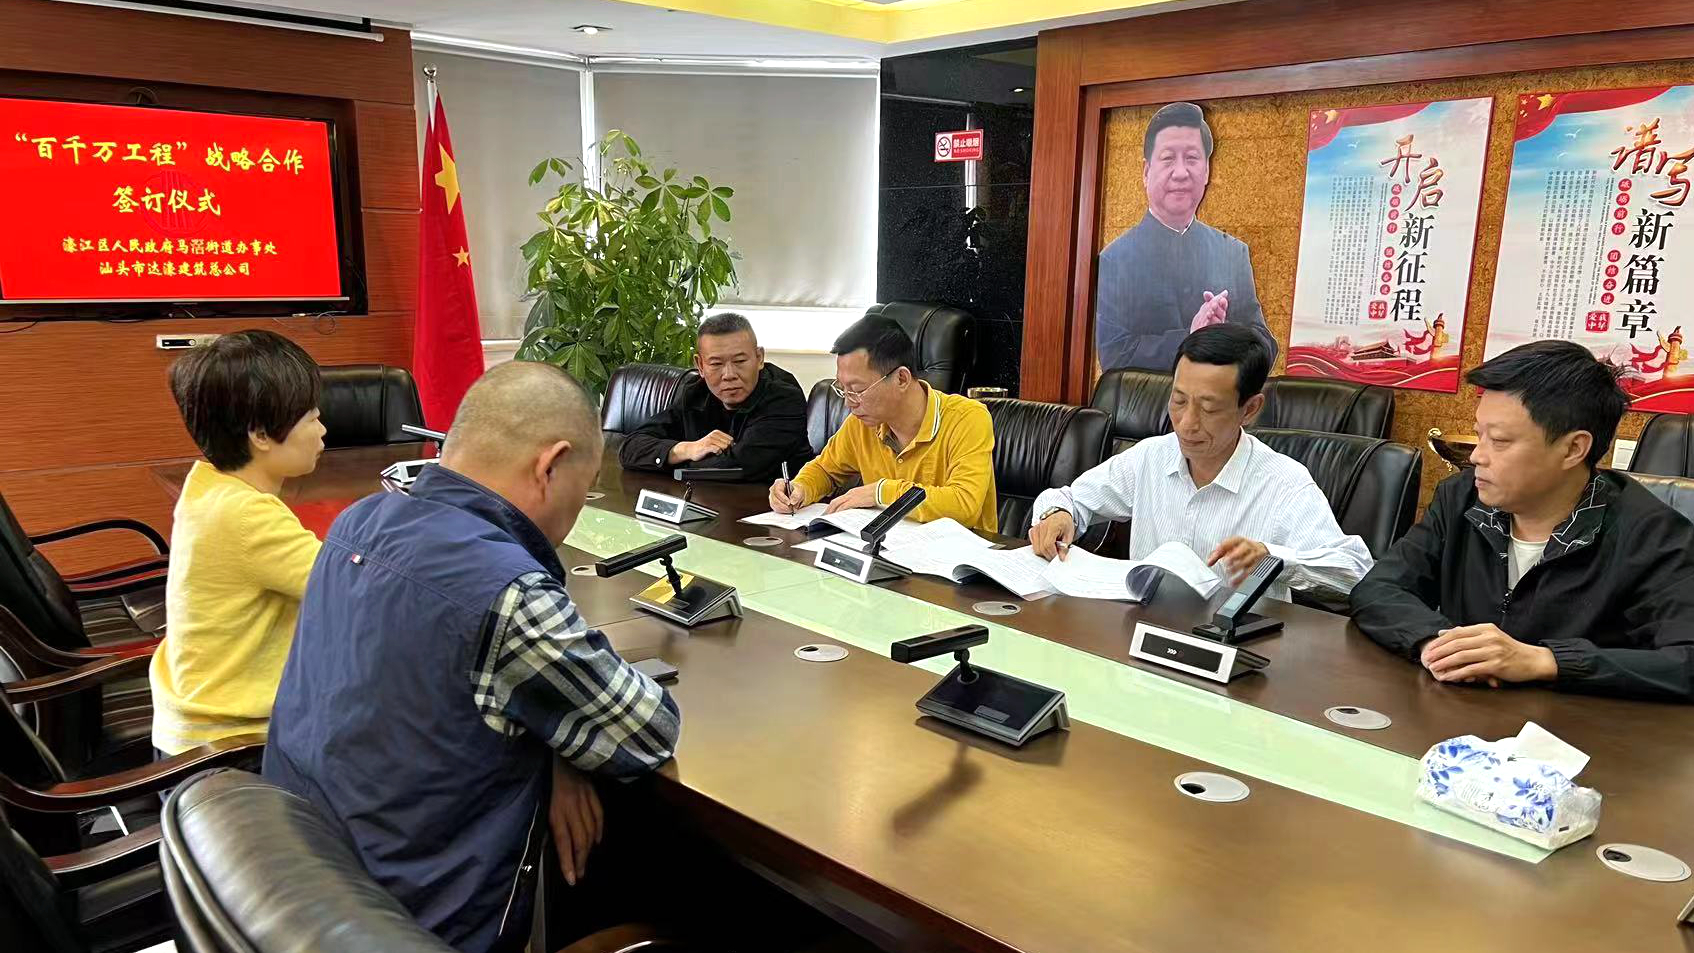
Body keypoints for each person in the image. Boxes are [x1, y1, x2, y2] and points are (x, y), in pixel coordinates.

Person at [263, 362, 681, 953]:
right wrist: (558, 731)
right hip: (420, 925)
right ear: (550, 466)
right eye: (584, 488)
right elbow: (646, 731)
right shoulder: (509, 593)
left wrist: (551, 745)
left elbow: (414, 694)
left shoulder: (358, 523)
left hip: (305, 894)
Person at [1351, 341, 1694, 702]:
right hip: (1459, 716)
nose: (1478, 456)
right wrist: (1441, 646)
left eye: (1499, 441)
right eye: (1479, 434)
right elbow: (1378, 589)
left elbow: (1686, 661)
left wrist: (1545, 661)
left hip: (1578, 729)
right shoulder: (1462, 499)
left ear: (1573, 448)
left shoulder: (1652, 535)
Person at [1029, 324, 1371, 601]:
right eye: (1178, 401)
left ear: (1250, 409)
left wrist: (1273, 559)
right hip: (1145, 634)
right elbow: (1071, 499)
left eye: (1209, 408)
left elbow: (1355, 569)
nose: (1186, 423)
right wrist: (1058, 514)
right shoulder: (1151, 456)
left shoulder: (1284, 483)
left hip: (1236, 650)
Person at [151, 329, 325, 757]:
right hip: (229, 747)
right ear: (260, 434)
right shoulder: (247, 516)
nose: (323, 430)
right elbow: (355, 587)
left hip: (189, 723)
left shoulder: (208, 486)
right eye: (311, 419)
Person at [767, 315, 997, 534]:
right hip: (886, 548)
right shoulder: (863, 422)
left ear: (901, 378)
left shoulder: (967, 418)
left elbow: (964, 505)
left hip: (958, 555)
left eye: (857, 390)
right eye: (842, 389)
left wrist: (881, 492)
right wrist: (800, 488)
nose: (848, 402)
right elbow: (826, 470)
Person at [1094, 101, 1277, 373]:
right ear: (1146, 172)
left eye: (1191, 158)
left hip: (1218, 400)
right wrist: (1192, 337)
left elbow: (1264, 344)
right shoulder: (1115, 260)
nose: (1180, 173)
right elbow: (1114, 354)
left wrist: (1221, 335)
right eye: (1168, 159)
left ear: (1206, 171)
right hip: (1145, 402)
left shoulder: (1233, 253)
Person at [618, 312, 813, 482]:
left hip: (771, 507)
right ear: (700, 366)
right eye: (716, 364)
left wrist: (671, 463)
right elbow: (630, 448)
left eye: (740, 361)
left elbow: (738, 467)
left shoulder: (784, 397)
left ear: (759, 358)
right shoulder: (695, 393)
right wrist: (688, 449)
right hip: (704, 502)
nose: (729, 374)